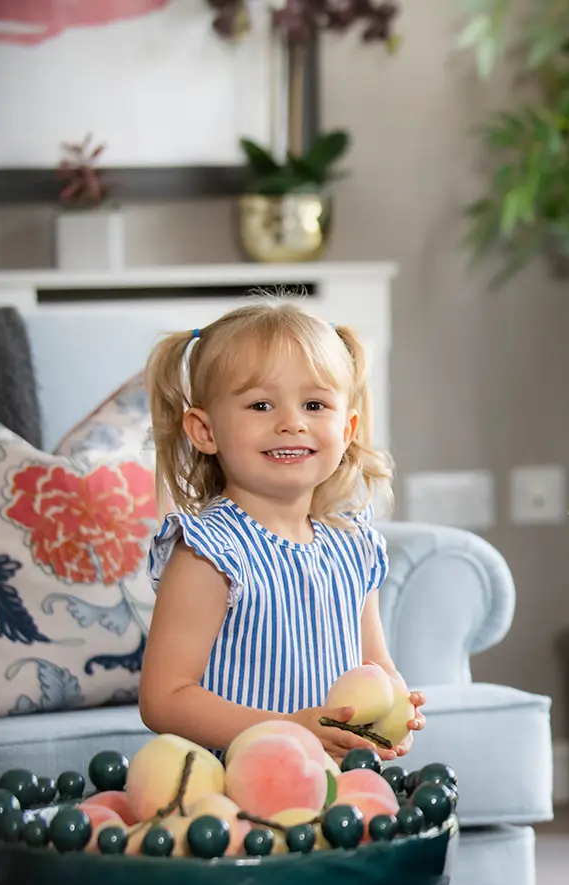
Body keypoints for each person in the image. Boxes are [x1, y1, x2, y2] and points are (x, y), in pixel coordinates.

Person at [139, 302, 426, 764]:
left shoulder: (354, 544)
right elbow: (164, 699)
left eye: (314, 405)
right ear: (205, 431)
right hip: (233, 783)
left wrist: (396, 706)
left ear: (347, 429)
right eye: (261, 405)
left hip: (331, 779)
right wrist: (289, 729)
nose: (292, 422)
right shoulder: (210, 551)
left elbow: (374, 666)